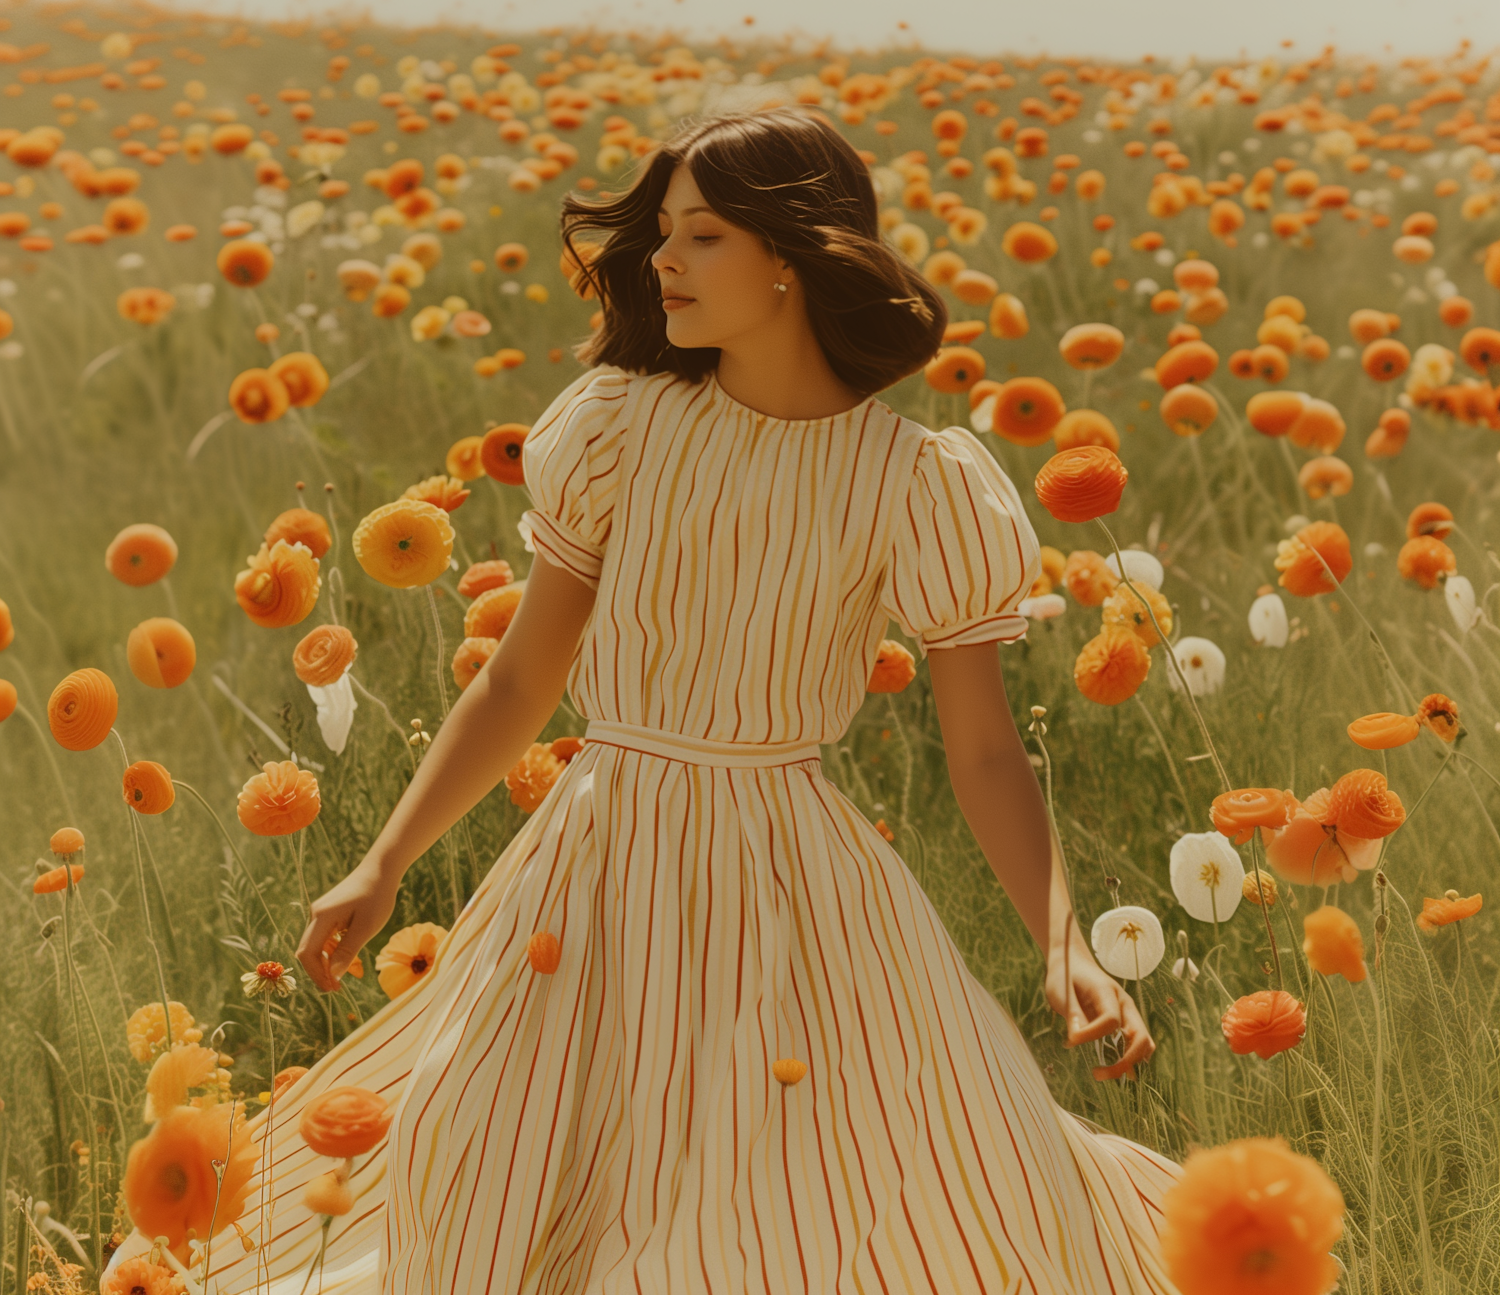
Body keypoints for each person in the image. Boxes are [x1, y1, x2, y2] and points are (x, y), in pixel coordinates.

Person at [175, 106, 1182, 1293]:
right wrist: (385, 860)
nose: (659, 261)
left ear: (790, 257)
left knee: (789, 1194)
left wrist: (1062, 939)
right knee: (479, 1147)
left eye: (699, 236)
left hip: (791, 885)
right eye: (661, 233)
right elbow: (519, 679)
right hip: (595, 861)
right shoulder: (623, 427)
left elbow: (986, 756)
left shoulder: (915, 481)